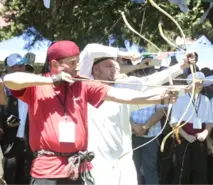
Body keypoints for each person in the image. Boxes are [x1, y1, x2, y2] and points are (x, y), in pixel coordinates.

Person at [1, 40, 179, 185]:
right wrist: (52, 81)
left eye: (78, 61)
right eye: (72, 63)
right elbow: (9, 79)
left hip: (77, 168)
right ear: (55, 64)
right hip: (47, 168)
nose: (77, 67)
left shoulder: (82, 83)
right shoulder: (37, 86)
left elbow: (124, 96)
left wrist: (161, 97)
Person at [78, 43, 197, 185]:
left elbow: (150, 82)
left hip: (124, 157)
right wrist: (123, 54)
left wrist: (182, 69)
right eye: (109, 66)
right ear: (95, 69)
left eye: (115, 66)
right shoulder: (85, 86)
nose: (114, 69)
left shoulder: (121, 87)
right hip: (98, 160)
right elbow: (88, 50)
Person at [170, 72, 213, 185]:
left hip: (200, 141)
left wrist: (205, 132)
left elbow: (209, 121)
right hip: (184, 141)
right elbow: (174, 122)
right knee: (182, 173)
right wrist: (186, 136)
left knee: (200, 173)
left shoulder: (205, 100)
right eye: (197, 82)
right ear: (189, 83)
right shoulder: (180, 99)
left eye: (201, 82)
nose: (200, 84)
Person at [0, 53, 30, 185]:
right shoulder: (3, 87)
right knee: (8, 178)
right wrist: (4, 121)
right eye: (20, 65)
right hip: (8, 142)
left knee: (24, 178)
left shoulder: (30, 86)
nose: (23, 68)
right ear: (11, 68)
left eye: (24, 65)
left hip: (26, 143)